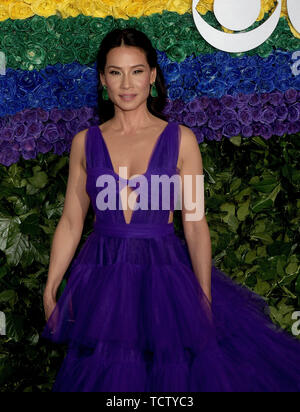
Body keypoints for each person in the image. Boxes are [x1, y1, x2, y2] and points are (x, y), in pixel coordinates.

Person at [42, 28, 300, 392]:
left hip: (163, 276)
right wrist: (52, 287)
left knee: (171, 378)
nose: (126, 83)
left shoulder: (181, 141)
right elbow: (71, 221)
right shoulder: (85, 144)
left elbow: (194, 223)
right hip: (102, 276)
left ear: (152, 76)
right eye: (115, 72)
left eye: (136, 71)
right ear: (102, 79)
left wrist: (204, 296)